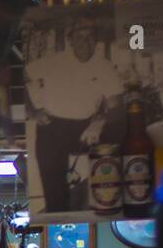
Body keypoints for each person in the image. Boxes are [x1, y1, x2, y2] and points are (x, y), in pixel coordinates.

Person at [25, 15, 125, 212]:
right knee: (55, 198)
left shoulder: (104, 66)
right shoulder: (52, 61)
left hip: (86, 127)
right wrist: (33, 110)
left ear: (96, 40)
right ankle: (57, 209)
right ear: (70, 39)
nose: (85, 41)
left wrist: (99, 121)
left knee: (121, 128)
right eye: (79, 36)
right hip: (52, 127)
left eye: (90, 36)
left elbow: (117, 106)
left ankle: (107, 197)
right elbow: (22, 78)